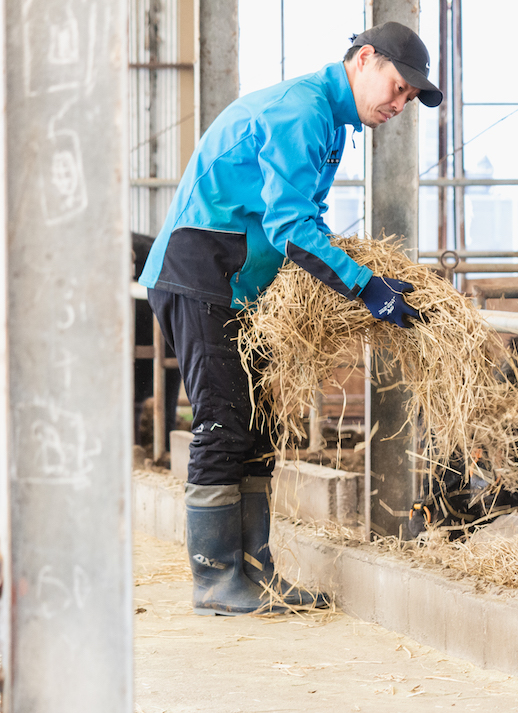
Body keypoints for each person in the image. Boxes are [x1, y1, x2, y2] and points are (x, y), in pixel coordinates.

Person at [138, 22, 442, 616]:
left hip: (238, 284)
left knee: (259, 428)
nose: (400, 103)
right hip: (202, 274)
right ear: (364, 58)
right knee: (224, 423)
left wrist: (359, 275)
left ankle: (254, 572)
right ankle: (216, 579)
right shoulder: (301, 111)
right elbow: (291, 229)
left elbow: (301, 219)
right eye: (399, 86)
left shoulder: (329, 122)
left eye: (410, 97)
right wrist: (365, 287)